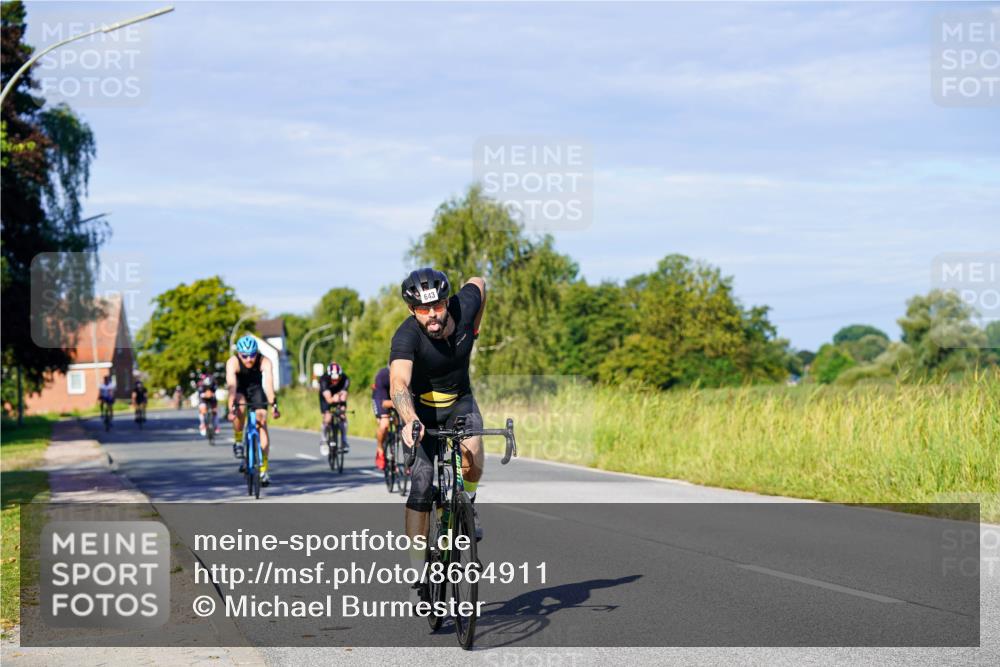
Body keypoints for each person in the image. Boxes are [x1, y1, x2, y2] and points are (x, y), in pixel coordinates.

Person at [389, 267, 486, 604]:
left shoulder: (465, 306)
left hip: (460, 401)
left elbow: (479, 282)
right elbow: (399, 384)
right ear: (412, 310)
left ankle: (467, 503)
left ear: (447, 302)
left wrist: (475, 327)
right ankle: (418, 565)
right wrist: (409, 419)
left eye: (437, 307)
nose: (431, 315)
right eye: (422, 310)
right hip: (422, 412)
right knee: (422, 482)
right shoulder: (406, 337)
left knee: (472, 447)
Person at [226, 335, 280, 486]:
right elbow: (231, 387)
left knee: (261, 420)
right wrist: (231, 408)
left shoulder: (264, 361)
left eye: (252, 355)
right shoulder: (233, 362)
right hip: (239, 389)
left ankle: (263, 469)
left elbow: (268, 384)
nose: (249, 359)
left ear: (257, 353)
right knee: (239, 405)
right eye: (245, 356)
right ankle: (238, 440)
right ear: (239, 354)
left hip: (256, 389)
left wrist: (273, 404)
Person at [318, 361, 350, 456]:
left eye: (337, 379)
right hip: (325, 397)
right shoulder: (323, 380)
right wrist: (333, 398)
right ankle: (324, 440)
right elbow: (328, 400)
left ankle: (344, 440)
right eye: (333, 379)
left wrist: (340, 398)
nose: (335, 381)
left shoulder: (345, 379)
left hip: (338, 395)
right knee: (327, 418)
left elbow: (344, 395)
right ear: (329, 377)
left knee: (342, 415)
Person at [371, 366, 394, 470]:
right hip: (381, 398)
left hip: (396, 396)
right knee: (384, 425)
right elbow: (383, 403)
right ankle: (380, 449)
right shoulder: (383, 375)